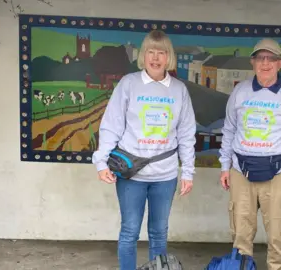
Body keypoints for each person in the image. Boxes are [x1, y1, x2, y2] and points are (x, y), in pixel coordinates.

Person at [92, 30, 197, 270]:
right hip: (131, 174)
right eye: (151, 51)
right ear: (143, 54)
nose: (156, 57)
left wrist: (188, 172)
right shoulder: (129, 84)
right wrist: (101, 162)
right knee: (129, 231)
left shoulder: (179, 90)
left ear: (169, 56)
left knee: (159, 233)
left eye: (162, 52)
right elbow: (112, 125)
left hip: (165, 175)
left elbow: (186, 134)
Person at [218, 38, 281, 270]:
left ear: (280, 64)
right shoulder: (240, 92)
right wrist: (224, 166)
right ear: (253, 62)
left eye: (271, 58)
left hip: (280, 173)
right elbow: (228, 130)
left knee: (278, 238)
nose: (265, 63)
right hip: (241, 170)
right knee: (240, 237)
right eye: (260, 58)